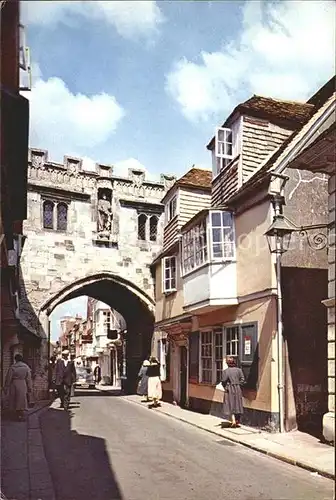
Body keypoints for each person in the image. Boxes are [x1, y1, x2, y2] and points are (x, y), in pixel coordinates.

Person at [4, 353, 32, 421]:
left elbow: (8, 378)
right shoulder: (26, 367)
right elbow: (28, 378)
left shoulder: (13, 367)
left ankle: (15, 415)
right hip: (23, 383)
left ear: (15, 359)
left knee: (14, 399)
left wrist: (6, 387)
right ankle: (21, 414)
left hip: (14, 384)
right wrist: (29, 387)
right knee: (21, 399)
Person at [221, 356, 245, 427]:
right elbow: (242, 379)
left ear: (228, 364)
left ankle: (233, 420)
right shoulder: (239, 370)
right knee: (237, 404)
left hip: (229, 388)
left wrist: (226, 387)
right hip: (237, 388)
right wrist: (238, 384)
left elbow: (223, 381)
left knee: (230, 404)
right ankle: (237, 420)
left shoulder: (226, 371)